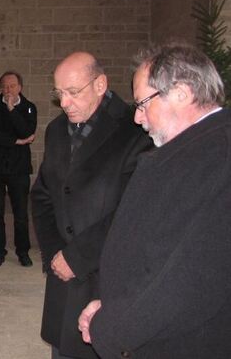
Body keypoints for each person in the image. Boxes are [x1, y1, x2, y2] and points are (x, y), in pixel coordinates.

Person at [78, 43, 231, 358]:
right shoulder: (194, 150)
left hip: (180, 344)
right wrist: (112, 306)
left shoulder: (217, 158)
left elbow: (186, 280)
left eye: (143, 103)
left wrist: (110, 328)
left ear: (181, 92)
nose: (137, 117)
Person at [31, 52, 152, 359]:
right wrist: (55, 254)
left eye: (73, 92)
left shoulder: (134, 129)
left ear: (100, 84)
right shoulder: (57, 130)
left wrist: (77, 256)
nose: (64, 103)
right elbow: (43, 194)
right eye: (59, 94)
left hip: (106, 278)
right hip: (63, 278)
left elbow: (134, 211)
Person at [0, 71, 37, 267]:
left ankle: (23, 252)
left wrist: (13, 111)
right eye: (4, 86)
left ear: (20, 87)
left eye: (12, 86)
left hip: (19, 169)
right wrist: (16, 141)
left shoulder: (29, 108)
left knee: (21, 214)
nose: (8, 90)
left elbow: (28, 131)